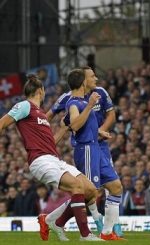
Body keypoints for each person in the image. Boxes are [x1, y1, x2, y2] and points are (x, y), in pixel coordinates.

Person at [0, 74, 102, 241]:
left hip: (53, 158)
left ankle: (54, 222)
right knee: (76, 186)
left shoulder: (40, 114)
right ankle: (85, 234)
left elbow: (50, 143)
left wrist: (63, 129)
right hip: (40, 161)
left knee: (91, 190)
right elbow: (2, 123)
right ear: (41, 91)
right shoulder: (25, 106)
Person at [46, 67, 124, 237]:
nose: (95, 79)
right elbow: (71, 124)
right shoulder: (73, 101)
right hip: (86, 149)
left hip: (97, 146)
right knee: (89, 192)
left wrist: (99, 131)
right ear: (83, 81)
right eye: (92, 76)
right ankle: (55, 220)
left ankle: (107, 231)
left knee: (116, 187)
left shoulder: (93, 96)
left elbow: (78, 124)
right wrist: (89, 106)